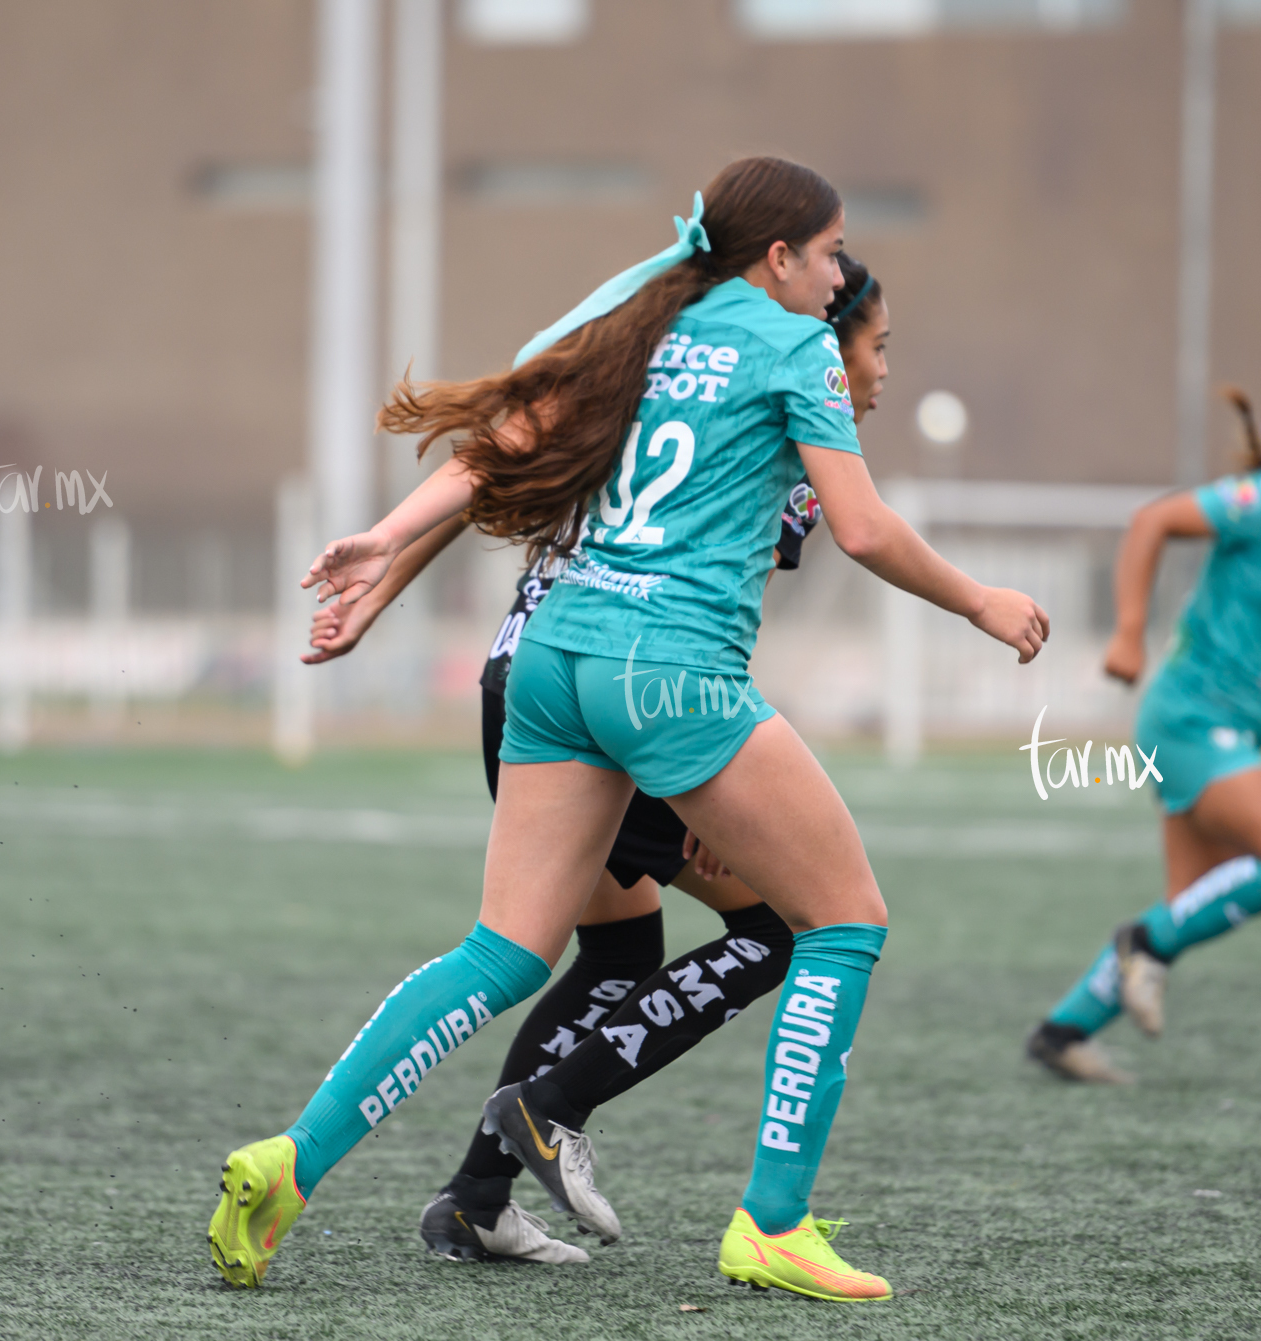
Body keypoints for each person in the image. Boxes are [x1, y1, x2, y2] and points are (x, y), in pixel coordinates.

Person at [206, 157, 1041, 1302]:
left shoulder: (646, 324)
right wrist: (982, 601)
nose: (844, 276)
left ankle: (287, 1166)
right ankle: (773, 1225)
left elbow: (504, 442)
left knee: (500, 954)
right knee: (840, 922)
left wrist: (381, 545)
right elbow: (861, 529)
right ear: (780, 258)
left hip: (551, 661)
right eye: (834, 251)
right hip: (669, 677)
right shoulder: (793, 345)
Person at [302, 254, 893, 1266]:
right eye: (878, 347)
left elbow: (499, 479)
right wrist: (699, 768)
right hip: (619, 694)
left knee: (614, 952)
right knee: (777, 929)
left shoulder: (663, 371)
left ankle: (476, 1198)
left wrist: (381, 588)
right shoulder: (762, 409)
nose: (883, 373)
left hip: (536, 675)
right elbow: (688, 603)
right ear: (822, 340)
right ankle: (552, 1107)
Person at [1024, 386, 1261, 1084]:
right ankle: (1139, 942)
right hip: (1189, 719)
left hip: (1236, 732)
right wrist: (1126, 633)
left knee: (1192, 904)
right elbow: (1151, 521)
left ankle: (1063, 1031)